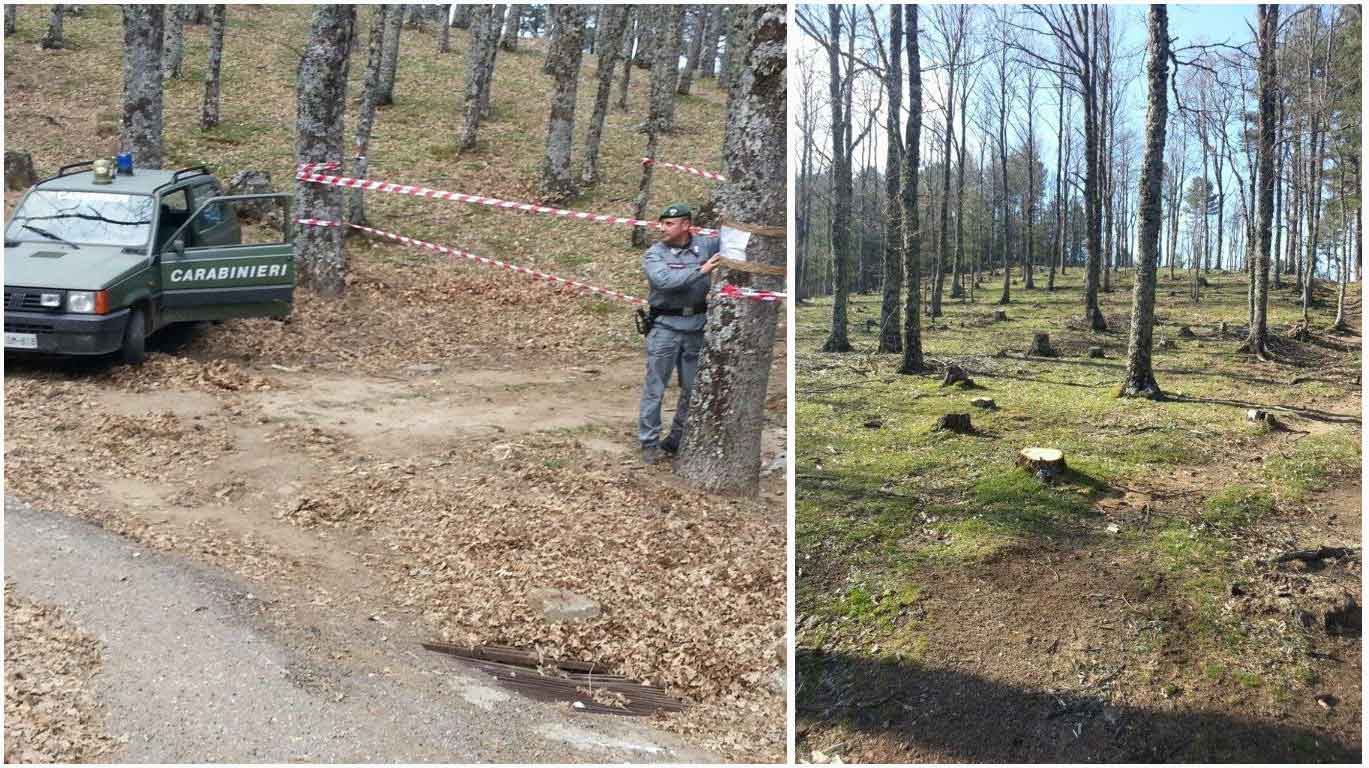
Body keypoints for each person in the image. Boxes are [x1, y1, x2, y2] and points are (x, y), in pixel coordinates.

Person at [638, 203, 722, 465]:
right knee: (655, 389)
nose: (662, 228)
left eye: (669, 224)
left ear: (686, 225)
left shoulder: (704, 246)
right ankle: (649, 443)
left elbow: (732, 238)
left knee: (692, 389)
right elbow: (664, 282)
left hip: (696, 328)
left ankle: (677, 439)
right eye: (662, 223)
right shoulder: (655, 254)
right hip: (664, 327)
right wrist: (702, 270)